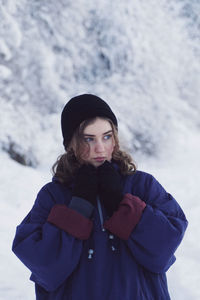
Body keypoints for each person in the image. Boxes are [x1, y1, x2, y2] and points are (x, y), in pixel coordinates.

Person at [12, 94, 188, 300]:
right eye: (89, 139)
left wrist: (122, 205)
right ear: (71, 143)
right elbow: (44, 266)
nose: (100, 148)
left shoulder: (142, 185)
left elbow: (163, 250)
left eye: (107, 136)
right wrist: (77, 210)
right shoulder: (53, 196)